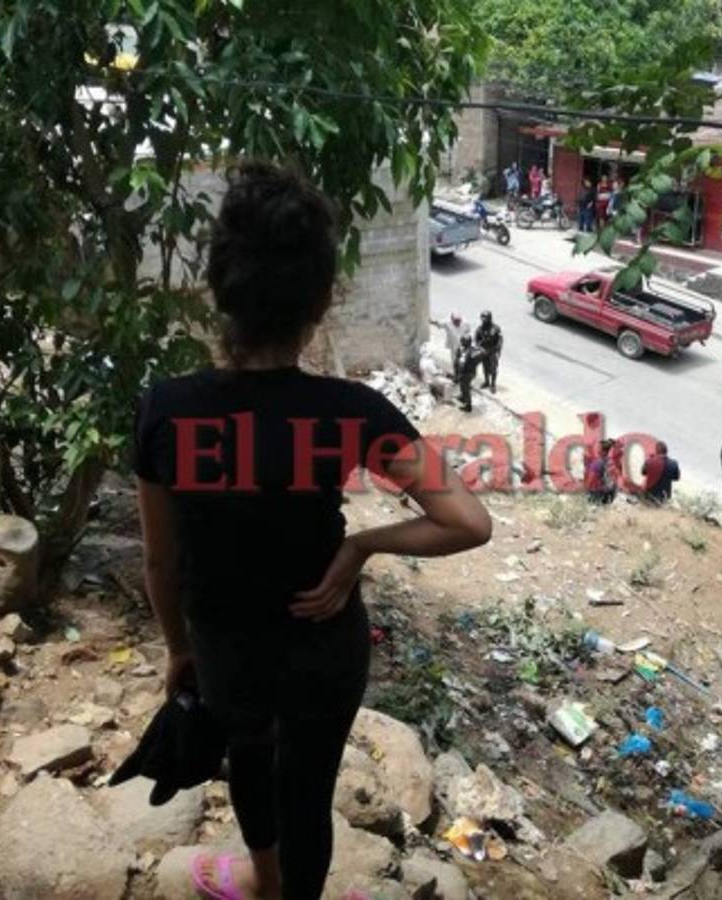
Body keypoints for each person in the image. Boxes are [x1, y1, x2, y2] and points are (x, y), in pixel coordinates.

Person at [134, 162, 492, 900]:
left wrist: (176, 649)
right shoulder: (351, 411)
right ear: (321, 299)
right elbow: (466, 521)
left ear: (220, 292)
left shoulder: (166, 409)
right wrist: (361, 546)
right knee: (306, 791)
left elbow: (161, 562)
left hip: (224, 641)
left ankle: (264, 884)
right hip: (321, 646)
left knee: (250, 761)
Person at [475, 311, 503, 393]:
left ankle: (493, 384)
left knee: (493, 369)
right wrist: (479, 348)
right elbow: (476, 339)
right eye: (482, 318)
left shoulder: (496, 328)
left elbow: (500, 340)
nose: (483, 319)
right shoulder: (480, 329)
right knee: (485, 368)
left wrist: (498, 350)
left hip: (493, 351)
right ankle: (486, 382)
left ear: (489, 318)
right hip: (484, 351)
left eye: (485, 318)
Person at [455, 333, 482, 412]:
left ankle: (468, 406)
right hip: (464, 372)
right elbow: (458, 360)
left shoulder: (472, 351)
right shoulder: (463, 350)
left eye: (463, 341)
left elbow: (480, 355)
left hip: (468, 373)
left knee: (466, 388)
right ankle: (463, 398)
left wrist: (471, 363)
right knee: (462, 386)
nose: (462, 343)